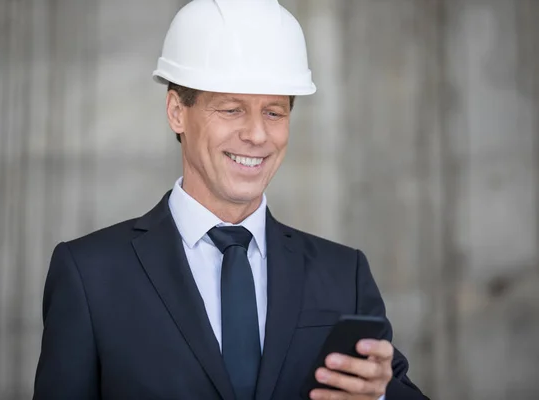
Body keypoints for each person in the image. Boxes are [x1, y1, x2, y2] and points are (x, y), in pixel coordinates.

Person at [32, 0, 429, 399]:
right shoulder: (91, 275)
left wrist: (378, 397)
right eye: (232, 109)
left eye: (274, 113)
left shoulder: (345, 275)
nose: (257, 135)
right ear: (176, 112)